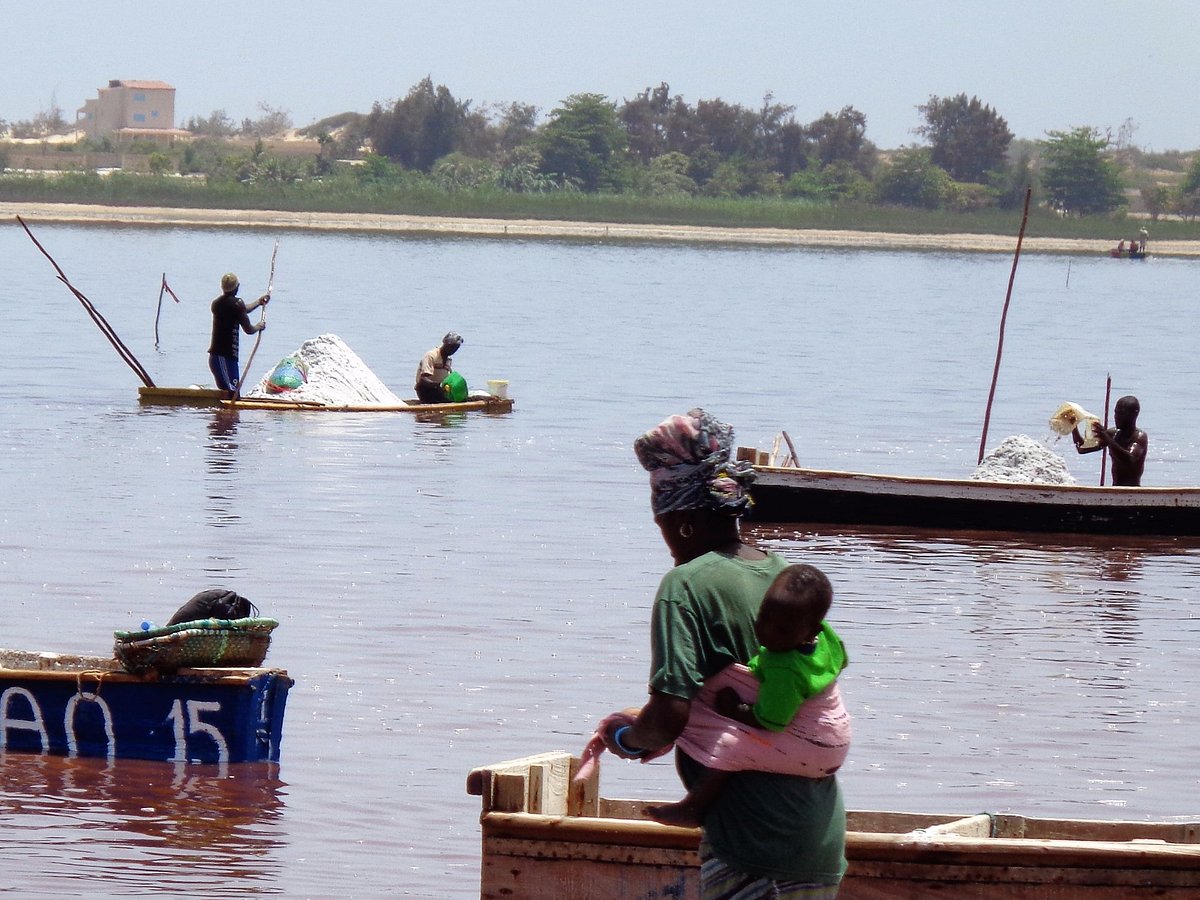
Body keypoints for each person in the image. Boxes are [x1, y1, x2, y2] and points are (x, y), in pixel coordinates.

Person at [592, 408, 846, 898]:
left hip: (752, 845)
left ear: (683, 520)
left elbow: (669, 716)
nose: (662, 534)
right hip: (817, 838)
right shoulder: (786, 576)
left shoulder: (685, 585)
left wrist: (626, 736)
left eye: (661, 519)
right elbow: (784, 686)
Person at [644, 563, 850, 829]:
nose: (767, 632)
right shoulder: (827, 637)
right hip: (838, 734)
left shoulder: (784, 669)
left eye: (783, 630)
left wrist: (735, 709)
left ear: (811, 632)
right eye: (764, 617)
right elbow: (841, 660)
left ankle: (692, 808)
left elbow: (771, 720)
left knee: (730, 746)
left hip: (816, 747)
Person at [209, 272, 269, 398]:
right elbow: (249, 329)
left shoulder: (217, 303)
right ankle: (229, 417)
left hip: (224, 358)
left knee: (232, 394)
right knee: (232, 394)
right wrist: (259, 326)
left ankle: (227, 417)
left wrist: (259, 302)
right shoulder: (236, 304)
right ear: (237, 287)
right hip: (223, 357)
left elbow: (243, 309)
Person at [1072, 394, 1148, 486]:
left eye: (1121, 414)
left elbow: (1129, 459)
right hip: (1115, 488)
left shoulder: (1139, 437)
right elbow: (1082, 448)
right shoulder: (1113, 434)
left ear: (1134, 415)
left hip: (1132, 490)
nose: (1116, 417)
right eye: (1116, 412)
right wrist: (1073, 427)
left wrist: (1108, 440)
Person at [414, 332, 463, 403]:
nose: (452, 350)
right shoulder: (431, 355)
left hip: (440, 390)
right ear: (444, 342)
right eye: (450, 346)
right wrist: (438, 385)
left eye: (455, 348)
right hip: (425, 390)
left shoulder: (448, 360)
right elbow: (423, 379)